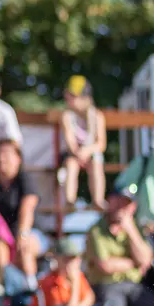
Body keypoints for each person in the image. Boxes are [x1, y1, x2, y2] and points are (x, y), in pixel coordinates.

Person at [84, 189, 154, 306]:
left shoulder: (137, 229)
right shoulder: (96, 230)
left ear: (133, 207)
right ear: (109, 202)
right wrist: (135, 262)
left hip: (133, 285)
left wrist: (131, 231)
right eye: (118, 202)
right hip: (106, 285)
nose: (121, 208)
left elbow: (147, 260)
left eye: (126, 204)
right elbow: (105, 266)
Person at [0, 139, 43, 290]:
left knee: (25, 248)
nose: (2, 159)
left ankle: (31, 291)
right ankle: (5, 292)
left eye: (7, 154)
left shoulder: (25, 178)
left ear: (18, 159)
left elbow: (28, 208)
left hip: (30, 232)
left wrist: (22, 233)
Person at [60, 75, 107, 210]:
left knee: (96, 163)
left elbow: (101, 143)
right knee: (71, 164)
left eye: (72, 96)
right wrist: (77, 153)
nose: (68, 99)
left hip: (90, 152)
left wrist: (86, 151)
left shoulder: (97, 116)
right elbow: (70, 140)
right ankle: (70, 201)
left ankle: (98, 200)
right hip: (73, 153)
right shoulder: (67, 116)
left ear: (84, 97)